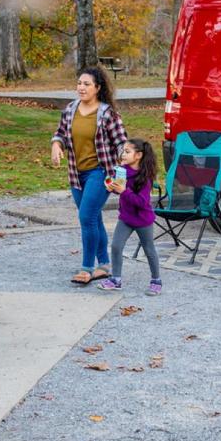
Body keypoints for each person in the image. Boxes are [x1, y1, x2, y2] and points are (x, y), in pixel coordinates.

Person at [52, 66, 129, 285]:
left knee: (86, 217)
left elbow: (122, 143)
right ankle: (104, 265)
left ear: (97, 87)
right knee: (94, 217)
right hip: (77, 175)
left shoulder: (107, 114)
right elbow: (60, 134)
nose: (81, 87)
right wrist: (56, 145)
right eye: (79, 83)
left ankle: (86, 268)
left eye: (86, 84)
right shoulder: (70, 110)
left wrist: (123, 168)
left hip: (100, 173)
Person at [99, 138, 162, 296]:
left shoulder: (145, 177)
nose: (123, 154)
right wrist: (111, 187)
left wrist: (123, 191)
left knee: (149, 249)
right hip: (126, 218)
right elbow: (119, 189)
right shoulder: (122, 170)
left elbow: (141, 202)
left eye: (127, 152)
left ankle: (156, 280)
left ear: (138, 155)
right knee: (116, 246)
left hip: (143, 220)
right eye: (123, 151)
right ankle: (116, 279)